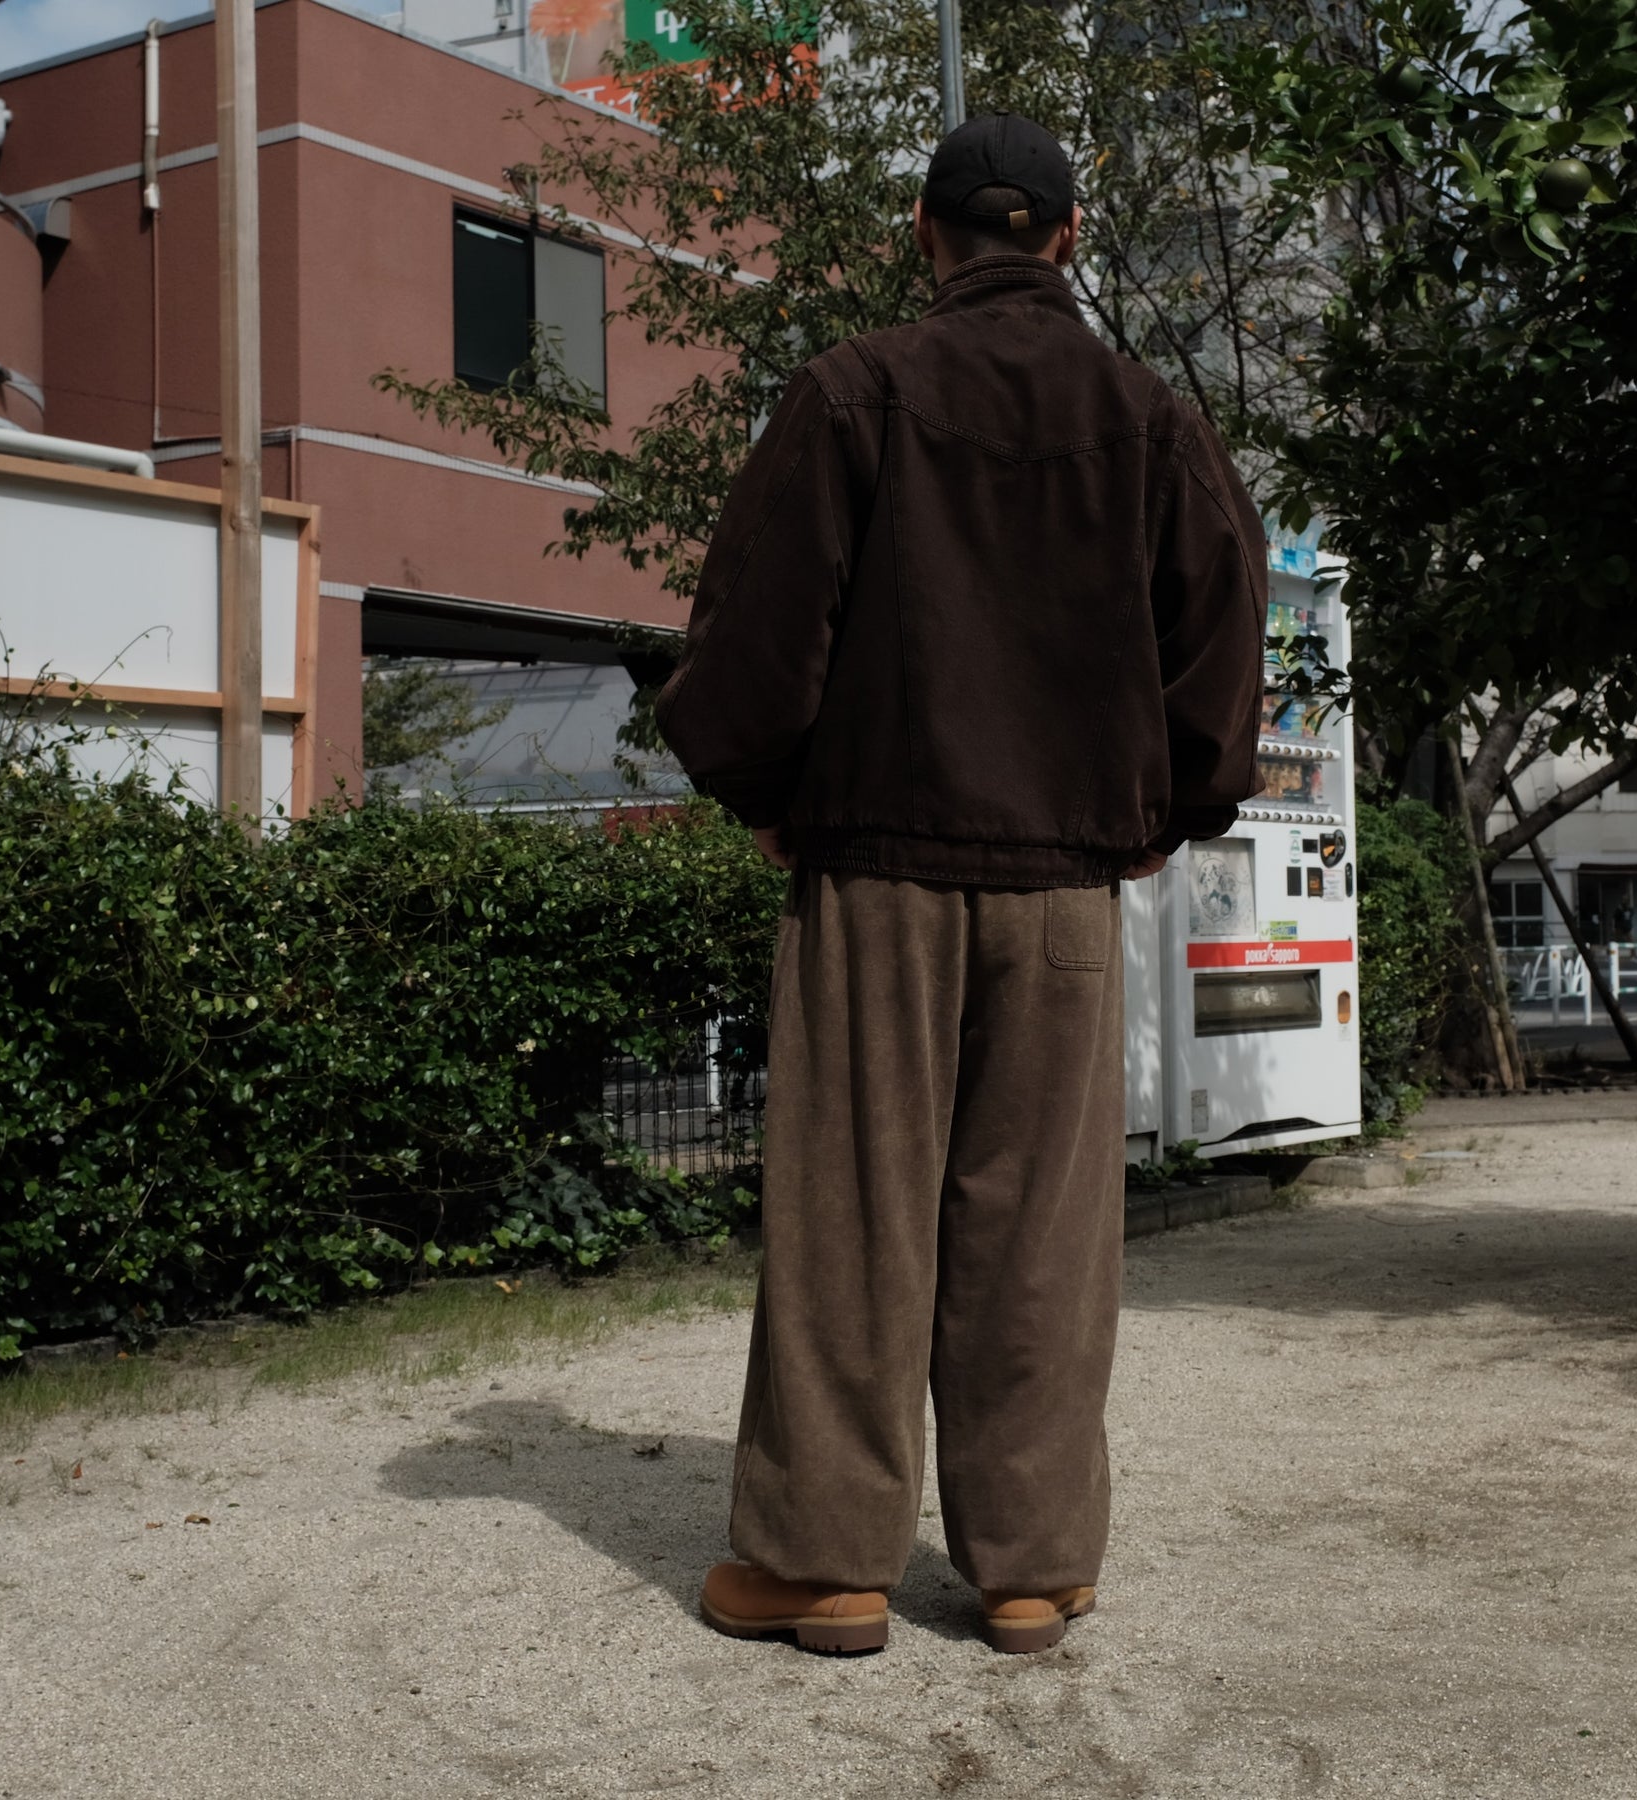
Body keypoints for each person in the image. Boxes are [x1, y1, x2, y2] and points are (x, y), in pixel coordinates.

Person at [655, 112, 1265, 1656]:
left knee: (856, 1210)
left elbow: (757, 626)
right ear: (1067, 239)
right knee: (1044, 1228)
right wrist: (1164, 813)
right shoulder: (1149, 417)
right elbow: (1223, 626)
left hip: (880, 863)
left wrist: (770, 798)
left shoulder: (855, 391)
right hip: (1065, 884)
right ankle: (1032, 1566)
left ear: (924, 235)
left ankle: (825, 1562)